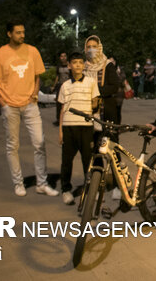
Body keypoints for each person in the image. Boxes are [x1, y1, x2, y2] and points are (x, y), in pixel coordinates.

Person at [0, 20, 59, 197]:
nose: (22, 35)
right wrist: (2, 102)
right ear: (9, 34)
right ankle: (18, 183)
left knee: (39, 143)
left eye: (23, 32)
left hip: (30, 104)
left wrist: (34, 94)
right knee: (13, 146)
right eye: (18, 32)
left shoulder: (32, 51)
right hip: (10, 106)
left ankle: (42, 183)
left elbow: (37, 77)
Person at [57, 51, 100, 205]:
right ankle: (66, 190)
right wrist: (61, 131)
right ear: (69, 65)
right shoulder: (65, 86)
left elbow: (95, 103)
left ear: (84, 65)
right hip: (69, 127)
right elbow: (62, 109)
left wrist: (94, 108)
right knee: (67, 161)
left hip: (86, 127)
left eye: (81, 63)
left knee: (87, 160)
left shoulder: (91, 82)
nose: (78, 65)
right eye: (74, 63)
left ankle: (90, 189)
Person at [83, 35, 121, 139]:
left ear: (99, 48)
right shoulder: (83, 67)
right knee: (93, 146)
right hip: (88, 112)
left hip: (106, 112)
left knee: (111, 144)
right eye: (89, 46)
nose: (91, 49)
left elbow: (114, 86)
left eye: (94, 46)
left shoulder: (107, 65)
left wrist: (95, 92)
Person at [52, 52, 70, 126]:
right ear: (60, 58)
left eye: (64, 56)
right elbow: (57, 76)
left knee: (68, 103)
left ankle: (67, 119)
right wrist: (54, 85)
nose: (63, 57)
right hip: (60, 85)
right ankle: (58, 120)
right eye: (61, 56)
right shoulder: (58, 66)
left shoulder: (70, 65)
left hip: (68, 86)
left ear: (66, 57)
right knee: (59, 103)